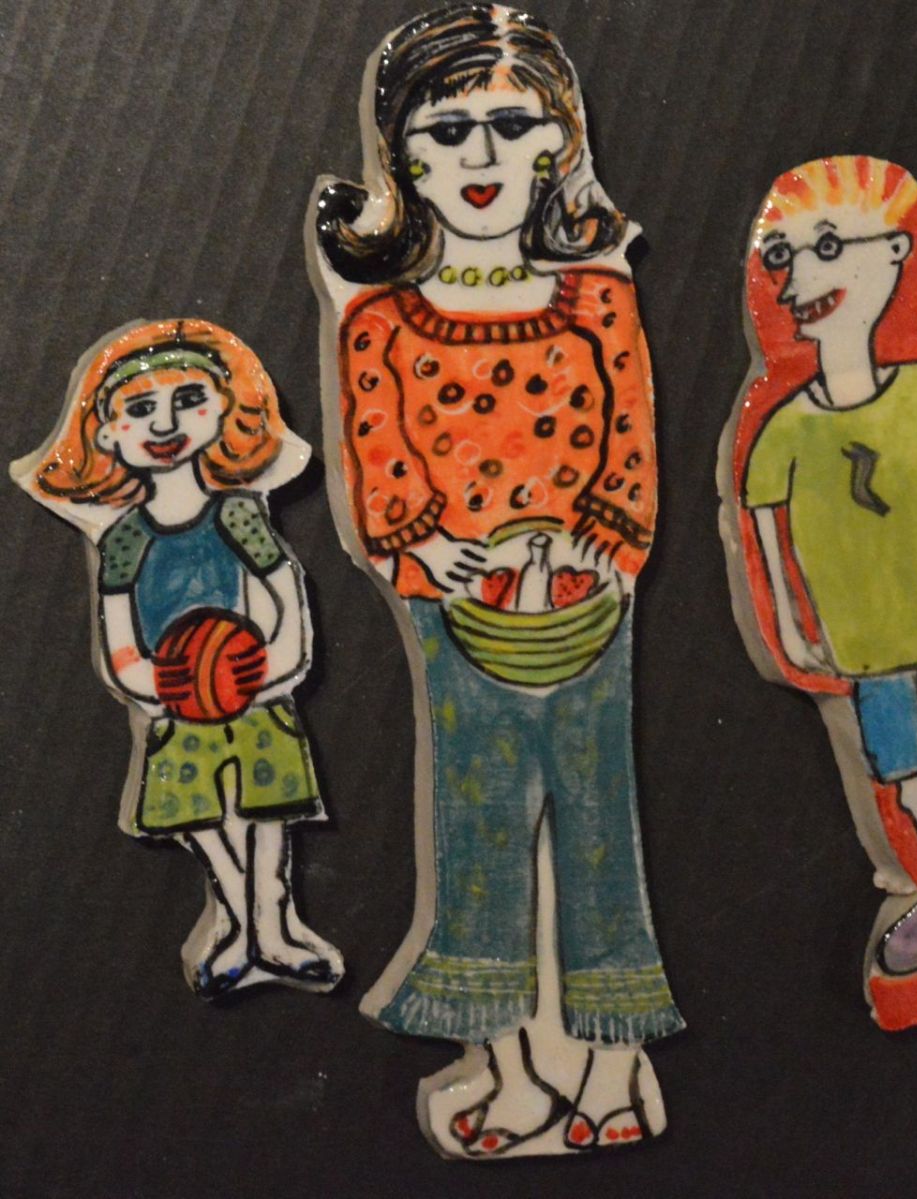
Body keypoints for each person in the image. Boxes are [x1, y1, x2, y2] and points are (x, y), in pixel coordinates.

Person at [313, 3, 681, 1156]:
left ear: (555, 146)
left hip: (585, 604)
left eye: (510, 124)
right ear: (403, 158)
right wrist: (421, 546)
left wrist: (606, 539)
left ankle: (612, 1069)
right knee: (479, 834)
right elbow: (379, 459)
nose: (480, 152)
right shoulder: (379, 322)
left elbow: (630, 442)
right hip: (452, 611)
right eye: (446, 128)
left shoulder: (599, 300)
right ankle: (517, 1074)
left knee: (596, 825)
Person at [740, 157, 917, 949]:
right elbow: (764, 536)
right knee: (902, 778)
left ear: (898, 253)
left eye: (829, 247)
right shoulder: (780, 430)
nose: (798, 276)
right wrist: (789, 630)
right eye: (782, 256)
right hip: (863, 645)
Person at [23, 318, 343, 997]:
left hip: (255, 696)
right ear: (107, 435)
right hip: (176, 707)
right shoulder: (122, 538)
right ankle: (240, 923)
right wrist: (151, 682)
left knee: (267, 815)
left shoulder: (239, 514)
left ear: (224, 410)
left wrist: (276, 665)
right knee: (201, 821)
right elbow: (119, 634)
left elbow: (284, 596)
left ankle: (273, 928)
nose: (165, 423)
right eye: (140, 409)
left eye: (188, 400)